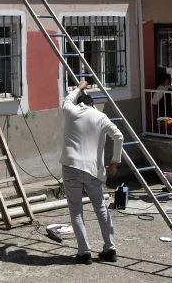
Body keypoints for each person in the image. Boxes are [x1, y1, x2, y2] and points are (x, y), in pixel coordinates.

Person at [60, 79, 124, 265]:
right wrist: (114, 162)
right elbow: (118, 136)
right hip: (93, 169)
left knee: (76, 210)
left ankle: (84, 252)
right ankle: (110, 248)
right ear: (92, 104)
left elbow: (67, 100)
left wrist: (79, 88)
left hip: (71, 166)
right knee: (101, 207)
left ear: (81, 103)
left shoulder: (71, 111)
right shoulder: (100, 117)